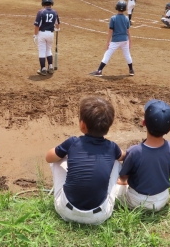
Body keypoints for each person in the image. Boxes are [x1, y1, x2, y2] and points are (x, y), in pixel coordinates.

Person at [45, 96, 125, 225]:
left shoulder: (72, 142)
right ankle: (121, 187)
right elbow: (124, 156)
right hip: (99, 216)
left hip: (66, 211)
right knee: (116, 161)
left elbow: (48, 158)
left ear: (82, 125)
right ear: (108, 126)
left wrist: (66, 155)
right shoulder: (112, 147)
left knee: (57, 158)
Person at [116, 100, 170, 211]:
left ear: (143, 123)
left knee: (115, 181)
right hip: (162, 198)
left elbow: (124, 178)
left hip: (138, 201)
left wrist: (122, 182)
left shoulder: (134, 151)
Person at [89, 0, 134, 77]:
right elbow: (128, 31)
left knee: (107, 54)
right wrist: (130, 41)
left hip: (116, 40)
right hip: (124, 40)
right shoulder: (127, 18)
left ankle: (99, 71)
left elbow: (110, 31)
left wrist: (107, 42)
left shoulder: (113, 18)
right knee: (127, 54)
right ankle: (131, 70)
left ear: (117, 8)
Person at [34, 0, 60, 76]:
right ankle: (51, 67)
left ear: (43, 3)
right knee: (48, 50)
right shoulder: (55, 12)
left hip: (42, 33)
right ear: (51, 3)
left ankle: (43, 69)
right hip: (51, 34)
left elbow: (37, 25)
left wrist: (35, 35)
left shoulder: (41, 12)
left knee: (42, 51)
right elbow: (57, 25)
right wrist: (57, 29)